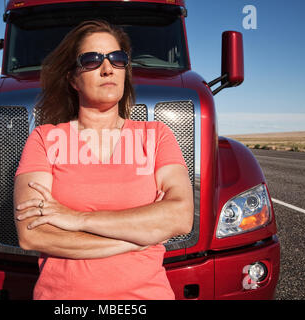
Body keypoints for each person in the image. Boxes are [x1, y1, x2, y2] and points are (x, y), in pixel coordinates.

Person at [13, 20, 193, 300]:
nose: (107, 68)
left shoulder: (157, 136)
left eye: (117, 59)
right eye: (92, 60)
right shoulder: (44, 139)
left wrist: (77, 218)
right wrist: (137, 238)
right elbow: (33, 234)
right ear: (73, 78)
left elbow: (180, 216)